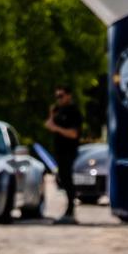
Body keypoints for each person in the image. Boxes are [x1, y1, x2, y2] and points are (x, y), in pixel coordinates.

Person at [43, 85, 83, 222]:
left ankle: (71, 209)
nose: (58, 99)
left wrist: (57, 128)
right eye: (57, 96)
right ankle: (69, 208)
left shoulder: (73, 112)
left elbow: (73, 133)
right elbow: (48, 125)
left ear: (68, 95)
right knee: (61, 178)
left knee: (66, 178)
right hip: (59, 150)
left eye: (61, 96)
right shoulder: (58, 110)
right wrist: (52, 115)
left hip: (69, 150)